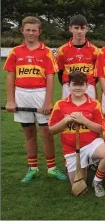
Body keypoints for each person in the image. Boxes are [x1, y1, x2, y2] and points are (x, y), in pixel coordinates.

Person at [4, 16, 68, 182]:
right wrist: (11, 100)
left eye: (34, 30)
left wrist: (47, 101)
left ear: (39, 32)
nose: (31, 33)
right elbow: (10, 77)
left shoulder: (46, 52)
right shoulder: (15, 52)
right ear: (22, 31)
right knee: (29, 133)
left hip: (40, 94)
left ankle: (52, 168)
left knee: (46, 133)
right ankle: (33, 168)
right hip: (21, 94)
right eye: (28, 30)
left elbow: (50, 78)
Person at [48, 72, 105, 197]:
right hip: (71, 149)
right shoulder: (60, 104)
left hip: (92, 144)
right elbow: (52, 130)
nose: (78, 88)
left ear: (87, 86)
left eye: (81, 84)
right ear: (68, 86)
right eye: (74, 84)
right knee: (80, 190)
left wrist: (84, 120)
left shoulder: (94, 103)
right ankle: (90, 166)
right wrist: (65, 120)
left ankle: (97, 181)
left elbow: (100, 129)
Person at [56, 14, 99, 99]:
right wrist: (70, 84)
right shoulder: (62, 50)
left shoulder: (95, 50)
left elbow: (97, 75)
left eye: (82, 28)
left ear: (86, 29)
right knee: (68, 112)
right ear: (70, 29)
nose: (79, 31)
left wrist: (87, 83)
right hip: (68, 87)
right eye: (76, 28)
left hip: (88, 87)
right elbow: (60, 73)